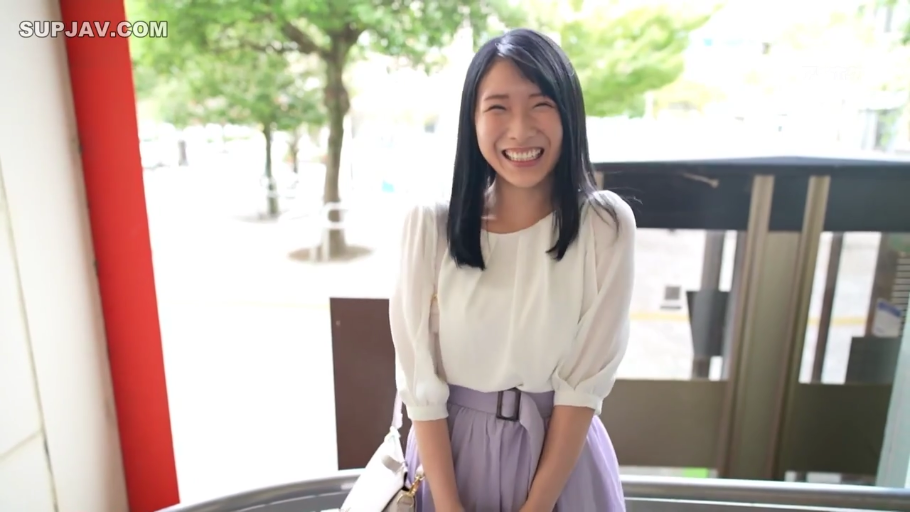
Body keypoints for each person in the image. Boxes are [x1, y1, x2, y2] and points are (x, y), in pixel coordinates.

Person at [389, 28, 635, 512]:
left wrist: (537, 505)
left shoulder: (604, 226)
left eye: (541, 104)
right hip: (450, 463)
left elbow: (582, 390)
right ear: (473, 120)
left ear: (569, 114)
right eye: (498, 107)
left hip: (562, 469)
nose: (520, 130)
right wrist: (449, 506)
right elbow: (421, 388)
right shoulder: (431, 226)